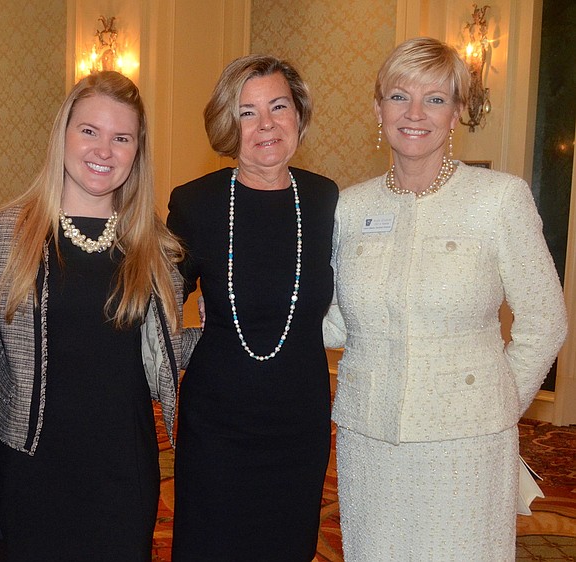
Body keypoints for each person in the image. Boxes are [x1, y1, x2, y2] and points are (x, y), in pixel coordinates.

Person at [323, 37, 567, 560]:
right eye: (398, 96)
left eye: (435, 99)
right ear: (377, 108)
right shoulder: (349, 207)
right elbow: (337, 323)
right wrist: (245, 307)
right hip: (369, 436)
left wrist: (497, 404)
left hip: (468, 441)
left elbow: (545, 320)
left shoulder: (499, 198)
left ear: (457, 112)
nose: (415, 113)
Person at [0, 70, 195, 561]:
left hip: (123, 472)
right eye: (89, 131)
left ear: (137, 151)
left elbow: (155, 356)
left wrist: (215, 329)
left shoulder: (158, 248)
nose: (104, 150)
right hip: (32, 470)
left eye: (121, 138)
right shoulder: (6, 234)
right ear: (62, 134)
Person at [167, 54, 339, 561]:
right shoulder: (195, 202)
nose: (265, 125)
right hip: (217, 424)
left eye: (278, 106)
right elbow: (159, 303)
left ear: (299, 115)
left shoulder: (326, 199)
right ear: (227, 123)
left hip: (299, 423)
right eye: (247, 112)